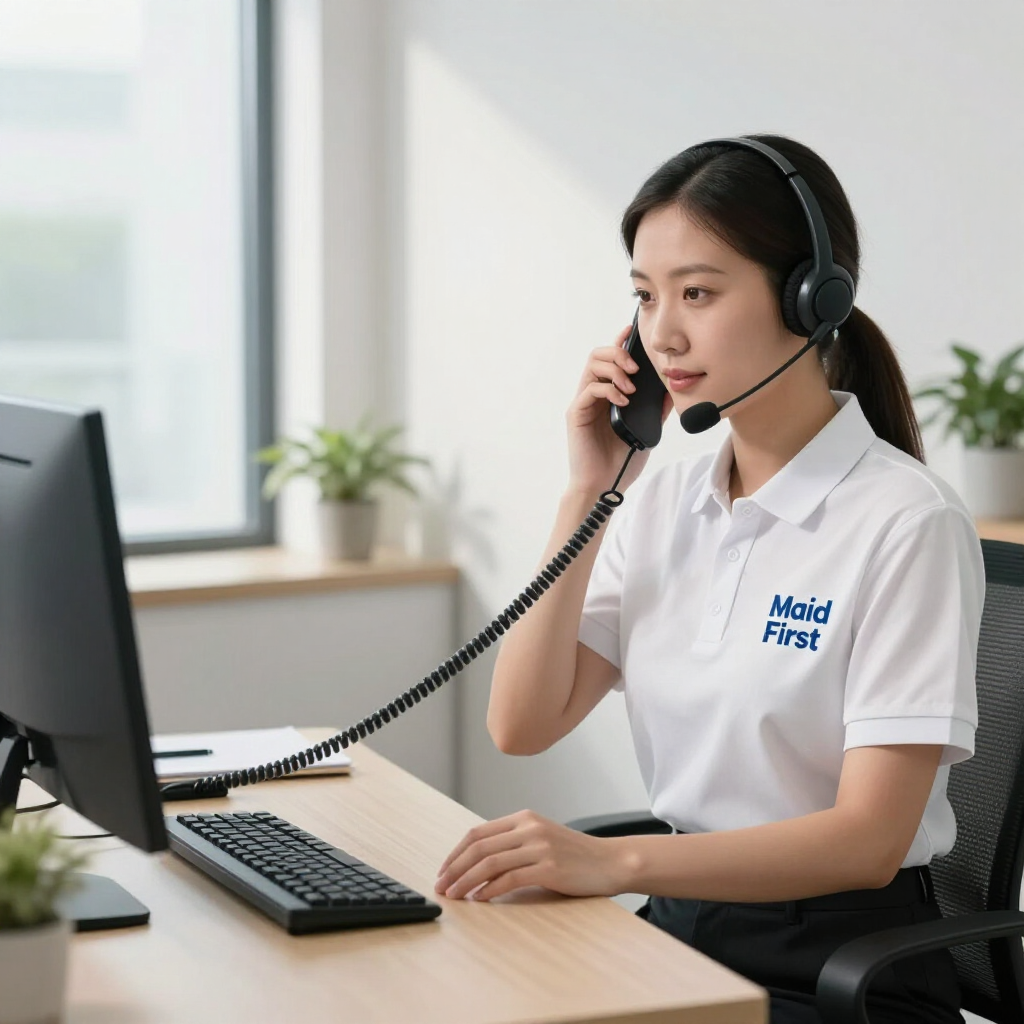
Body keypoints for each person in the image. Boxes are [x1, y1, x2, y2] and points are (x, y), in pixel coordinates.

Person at [434, 134, 983, 1024]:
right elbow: (522, 723)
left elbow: (870, 841)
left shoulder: (905, 521)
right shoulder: (658, 499)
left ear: (812, 297)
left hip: (839, 974)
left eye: (698, 292)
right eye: (645, 297)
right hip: (679, 937)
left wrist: (614, 864)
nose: (663, 334)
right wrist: (588, 488)